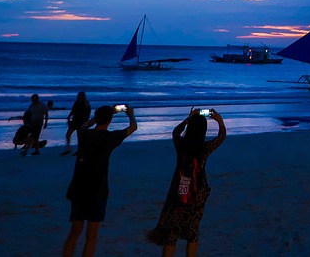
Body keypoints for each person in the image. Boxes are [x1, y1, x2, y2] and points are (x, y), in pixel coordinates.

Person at [146, 109, 227, 256]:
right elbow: (221, 137)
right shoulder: (204, 148)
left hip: (179, 189)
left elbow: (176, 132)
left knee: (172, 232)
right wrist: (219, 120)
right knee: (193, 230)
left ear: (190, 127)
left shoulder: (181, 144)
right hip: (198, 191)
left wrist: (187, 120)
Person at [63, 104, 138, 257]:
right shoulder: (111, 137)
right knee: (91, 235)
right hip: (97, 190)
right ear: (109, 120)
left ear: (96, 118)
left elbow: (85, 125)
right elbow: (133, 127)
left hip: (78, 188)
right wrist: (130, 114)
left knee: (75, 232)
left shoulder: (83, 134)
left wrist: (97, 117)